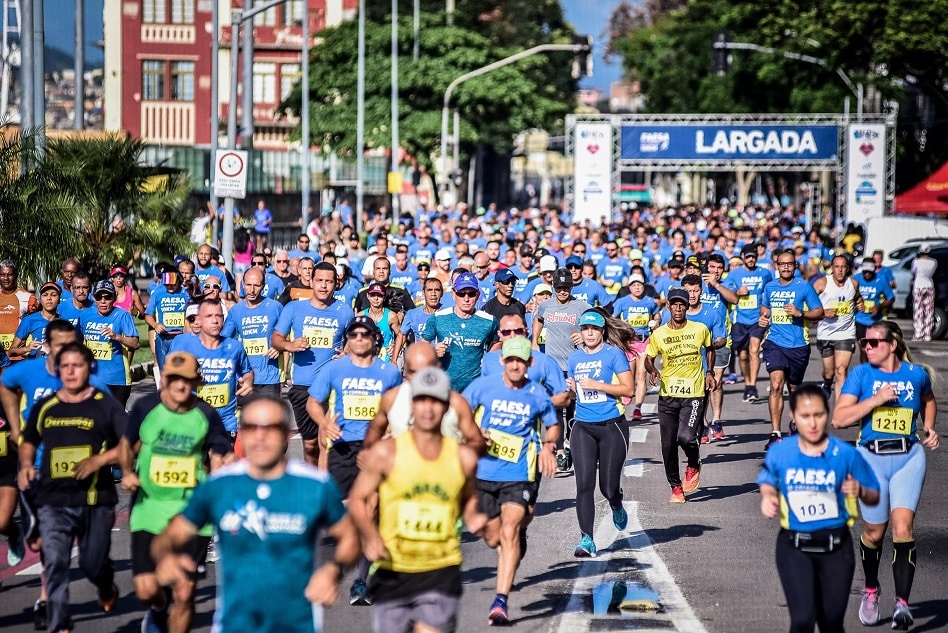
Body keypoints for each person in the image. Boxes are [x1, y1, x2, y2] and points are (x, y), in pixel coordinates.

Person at [151, 395, 360, 633]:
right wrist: (166, 556)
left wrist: (334, 570)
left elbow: (351, 537)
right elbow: (169, 536)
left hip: (297, 625)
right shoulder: (220, 486)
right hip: (234, 625)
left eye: (270, 428)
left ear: (286, 434)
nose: (260, 436)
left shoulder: (315, 485)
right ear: (242, 433)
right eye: (251, 428)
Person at [348, 366, 486, 633]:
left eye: (435, 401)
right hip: (393, 569)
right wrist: (371, 536)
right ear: (412, 405)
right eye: (421, 400)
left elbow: (468, 500)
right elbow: (357, 499)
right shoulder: (386, 453)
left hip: (440, 569)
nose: (427, 408)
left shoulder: (463, 458)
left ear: (446, 406)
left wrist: (475, 518)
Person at [831, 321, 939, 630]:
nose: (867, 347)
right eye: (864, 343)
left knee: (903, 528)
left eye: (874, 342)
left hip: (908, 457)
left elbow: (928, 401)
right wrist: (876, 400)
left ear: (892, 344)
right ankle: (871, 588)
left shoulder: (916, 375)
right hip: (870, 458)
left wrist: (929, 427)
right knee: (875, 534)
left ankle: (902, 605)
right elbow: (839, 419)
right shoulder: (862, 375)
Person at [119, 351, 234, 633]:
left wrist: (220, 465)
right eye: (174, 380)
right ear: (164, 380)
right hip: (149, 508)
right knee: (147, 590)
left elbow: (219, 448)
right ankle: (158, 608)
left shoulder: (205, 413)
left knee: (185, 590)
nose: (181, 386)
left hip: (190, 511)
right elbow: (126, 445)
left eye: (187, 380)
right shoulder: (145, 407)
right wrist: (127, 472)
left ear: (197, 381)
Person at [18, 342, 126, 633]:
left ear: (89, 368)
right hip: (53, 500)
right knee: (54, 564)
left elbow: (129, 445)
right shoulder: (46, 405)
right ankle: (59, 624)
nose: (70, 371)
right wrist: (27, 465)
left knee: (92, 564)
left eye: (77, 365)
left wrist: (100, 460)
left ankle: (105, 585)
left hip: (95, 498)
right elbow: (28, 440)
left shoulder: (105, 404)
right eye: (64, 366)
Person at [757, 384, 880, 633]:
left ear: (827, 413)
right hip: (794, 547)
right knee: (802, 620)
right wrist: (768, 497)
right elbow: (767, 482)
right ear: (792, 416)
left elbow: (874, 496)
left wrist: (860, 490)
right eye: (805, 416)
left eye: (818, 415)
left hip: (836, 547)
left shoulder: (846, 454)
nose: (812, 423)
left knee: (831, 623)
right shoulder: (781, 452)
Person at [306, 315, 402, 604]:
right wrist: (324, 423)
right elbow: (314, 401)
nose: (359, 339)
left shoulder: (390, 372)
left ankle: (360, 581)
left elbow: (396, 410)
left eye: (365, 334)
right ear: (347, 339)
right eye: (354, 334)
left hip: (374, 448)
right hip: (343, 447)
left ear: (375, 338)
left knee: (370, 510)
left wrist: (390, 437)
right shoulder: (334, 368)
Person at [463, 337, 559, 624]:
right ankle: (520, 524)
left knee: (509, 530)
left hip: (520, 474)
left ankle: (500, 601)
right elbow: (458, 415)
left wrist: (547, 447)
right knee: (492, 537)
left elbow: (553, 426)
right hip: (485, 473)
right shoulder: (483, 386)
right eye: (510, 359)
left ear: (529, 363)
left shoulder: (537, 394)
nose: (515, 365)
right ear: (502, 361)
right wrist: (475, 433)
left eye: (521, 360)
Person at [565, 310, 634, 556]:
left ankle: (616, 503)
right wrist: (571, 390)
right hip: (583, 426)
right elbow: (574, 397)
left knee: (608, 488)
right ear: (580, 332)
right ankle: (586, 539)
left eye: (594, 329)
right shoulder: (573, 359)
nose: (590, 333)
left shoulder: (613, 354)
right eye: (585, 329)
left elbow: (629, 388)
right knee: (584, 484)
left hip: (612, 426)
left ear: (602, 331)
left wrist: (598, 385)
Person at [273, 261, 354, 465]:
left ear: (336, 284)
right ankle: (311, 479)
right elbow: (276, 338)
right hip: (303, 385)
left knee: (326, 440)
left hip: (332, 386)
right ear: (311, 281)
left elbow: (355, 342)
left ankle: (325, 489)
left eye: (329, 281)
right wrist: (289, 345)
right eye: (319, 281)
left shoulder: (345, 311)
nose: (324, 286)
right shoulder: (294, 308)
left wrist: (347, 353)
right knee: (310, 445)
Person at [644, 288, 716, 503]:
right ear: (668, 306)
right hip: (667, 396)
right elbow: (648, 358)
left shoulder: (700, 329)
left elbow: (710, 348)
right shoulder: (659, 334)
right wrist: (653, 370)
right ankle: (675, 486)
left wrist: (709, 372)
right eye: (673, 304)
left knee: (685, 437)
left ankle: (693, 463)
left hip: (693, 394)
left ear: (687, 307)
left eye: (681, 304)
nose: (677, 308)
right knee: (667, 445)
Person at [362, 341, 485, 452]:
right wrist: (373, 452)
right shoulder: (392, 398)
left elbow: (477, 442)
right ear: (406, 372)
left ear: (437, 368)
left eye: (426, 371)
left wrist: (456, 454)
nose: (419, 378)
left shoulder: (456, 403)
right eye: (414, 372)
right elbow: (374, 431)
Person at [760, 249, 824, 450]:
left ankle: (795, 422)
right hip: (775, 342)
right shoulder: (770, 287)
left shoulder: (804, 286)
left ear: (795, 266)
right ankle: (775, 433)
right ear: (776, 266)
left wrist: (800, 313)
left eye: (790, 264)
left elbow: (819, 312)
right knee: (777, 384)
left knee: (794, 388)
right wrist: (764, 317)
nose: (786, 267)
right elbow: (765, 308)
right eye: (782, 264)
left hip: (798, 345)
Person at [170, 300, 254, 443]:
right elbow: (167, 379)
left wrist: (249, 381)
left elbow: (247, 372)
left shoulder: (235, 347)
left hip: (226, 421)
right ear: (199, 320)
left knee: (223, 462)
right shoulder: (184, 345)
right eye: (209, 316)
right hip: (193, 419)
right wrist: (188, 378)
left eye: (219, 316)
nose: (215, 321)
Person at [533, 267, 591, 472]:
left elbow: (594, 328)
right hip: (552, 366)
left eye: (566, 287)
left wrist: (584, 337)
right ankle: (559, 451)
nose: (563, 291)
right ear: (553, 286)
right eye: (559, 287)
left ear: (572, 287)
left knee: (573, 407)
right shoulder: (545, 306)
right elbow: (538, 321)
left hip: (574, 364)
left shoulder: (582, 307)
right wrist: (534, 342)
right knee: (556, 407)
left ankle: (569, 442)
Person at [421, 271, 498, 392]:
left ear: (477, 295)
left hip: (473, 387)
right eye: (461, 294)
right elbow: (421, 346)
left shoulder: (489, 321)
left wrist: (487, 359)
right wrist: (432, 350)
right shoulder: (438, 318)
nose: (466, 299)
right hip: (443, 386)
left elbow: (497, 342)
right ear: (453, 294)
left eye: (471, 294)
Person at [222, 267, 284, 398]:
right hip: (244, 377)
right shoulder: (236, 310)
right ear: (242, 284)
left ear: (263, 286)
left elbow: (288, 335)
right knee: (246, 418)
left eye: (256, 285)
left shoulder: (275, 307)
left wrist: (279, 347)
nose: (251, 290)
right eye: (248, 285)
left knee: (270, 418)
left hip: (269, 378)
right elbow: (224, 340)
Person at [79, 279, 140, 405]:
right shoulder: (85, 316)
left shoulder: (122, 315)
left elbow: (135, 344)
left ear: (114, 298)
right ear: (93, 297)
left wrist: (117, 337)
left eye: (107, 297)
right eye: (98, 297)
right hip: (91, 379)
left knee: (114, 422)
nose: (103, 301)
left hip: (117, 379)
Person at [610, 273, 660, 420]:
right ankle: (626, 400)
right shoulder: (621, 302)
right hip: (628, 342)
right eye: (634, 285)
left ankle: (638, 408)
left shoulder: (650, 302)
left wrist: (656, 322)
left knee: (641, 375)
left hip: (644, 341)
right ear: (629, 288)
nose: (637, 288)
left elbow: (656, 315)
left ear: (643, 286)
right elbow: (612, 319)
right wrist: (622, 324)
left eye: (639, 285)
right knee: (628, 375)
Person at [813, 255, 862, 401]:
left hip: (846, 333)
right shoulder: (821, 283)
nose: (840, 270)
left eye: (843, 267)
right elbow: (808, 304)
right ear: (831, 268)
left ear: (847, 269)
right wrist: (823, 312)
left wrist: (860, 303)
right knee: (829, 373)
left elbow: (857, 297)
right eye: (836, 267)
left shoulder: (853, 283)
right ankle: (827, 383)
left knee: (841, 370)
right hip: (826, 334)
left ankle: (840, 410)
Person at [144, 272, 191, 369]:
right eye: (167, 284)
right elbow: (148, 316)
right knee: (164, 372)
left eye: (173, 284)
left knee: (179, 371)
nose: (169, 287)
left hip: (180, 337)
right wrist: (156, 325)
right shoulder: (157, 293)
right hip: (163, 338)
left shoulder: (185, 293)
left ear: (178, 281)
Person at [392, 277, 443, 362]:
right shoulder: (412, 314)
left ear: (441, 293)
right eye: (429, 290)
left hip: (444, 363)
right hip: (421, 361)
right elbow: (402, 335)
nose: (433, 294)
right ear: (423, 293)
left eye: (437, 290)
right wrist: (393, 361)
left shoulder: (449, 312)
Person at [854, 257, 895, 361]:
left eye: (869, 272)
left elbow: (891, 298)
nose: (867, 274)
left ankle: (875, 371)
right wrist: (856, 304)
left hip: (876, 321)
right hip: (859, 320)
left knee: (874, 349)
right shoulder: (855, 279)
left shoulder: (881, 280)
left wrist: (879, 306)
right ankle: (865, 373)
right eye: (865, 272)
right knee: (864, 349)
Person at [9, 281, 61, 360]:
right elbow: (11, 351)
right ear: (40, 299)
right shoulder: (29, 320)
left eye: (53, 295)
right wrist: (27, 348)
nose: (49, 298)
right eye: (45, 295)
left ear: (59, 299)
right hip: (35, 369)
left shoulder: (64, 322)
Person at [360, 282, 400, 362]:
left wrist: (394, 345)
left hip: (387, 358)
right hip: (366, 357)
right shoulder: (360, 316)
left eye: (379, 295)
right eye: (373, 295)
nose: (376, 298)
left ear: (384, 297)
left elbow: (401, 335)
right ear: (368, 296)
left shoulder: (391, 316)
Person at [910, 244, 937, 342]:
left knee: (918, 310)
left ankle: (918, 333)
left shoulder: (916, 261)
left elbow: (913, 271)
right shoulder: (933, 262)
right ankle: (927, 333)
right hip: (929, 285)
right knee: (929, 310)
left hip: (918, 285)